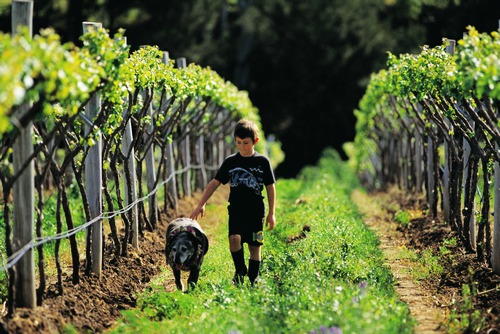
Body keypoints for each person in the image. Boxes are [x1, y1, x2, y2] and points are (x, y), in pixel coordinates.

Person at [189, 119, 276, 286]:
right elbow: (215, 183)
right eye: (239, 143)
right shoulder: (231, 162)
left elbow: (270, 187)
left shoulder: (262, 162)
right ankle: (240, 270)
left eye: (246, 143)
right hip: (236, 209)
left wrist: (271, 213)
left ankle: (253, 278)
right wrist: (201, 203)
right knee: (234, 239)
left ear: (255, 141)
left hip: (257, 211)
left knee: (254, 245)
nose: (242, 146)